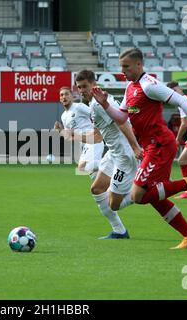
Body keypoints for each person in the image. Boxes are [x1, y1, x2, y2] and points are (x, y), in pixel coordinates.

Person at [94, 48, 187, 249]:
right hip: (152, 146)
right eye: (121, 66)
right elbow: (122, 117)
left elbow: (182, 100)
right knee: (154, 196)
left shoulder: (149, 85)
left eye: (126, 66)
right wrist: (106, 104)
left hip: (159, 146)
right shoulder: (130, 87)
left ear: (139, 65)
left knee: (137, 195)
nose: (123, 70)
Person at [59, 73, 141, 239]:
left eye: (84, 86)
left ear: (93, 84)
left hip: (124, 156)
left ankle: (147, 190)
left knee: (115, 203)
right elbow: (97, 134)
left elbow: (122, 123)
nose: (81, 91)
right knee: (96, 189)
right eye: (79, 87)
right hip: (113, 154)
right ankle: (119, 231)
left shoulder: (97, 104)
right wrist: (73, 136)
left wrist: (135, 147)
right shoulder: (98, 101)